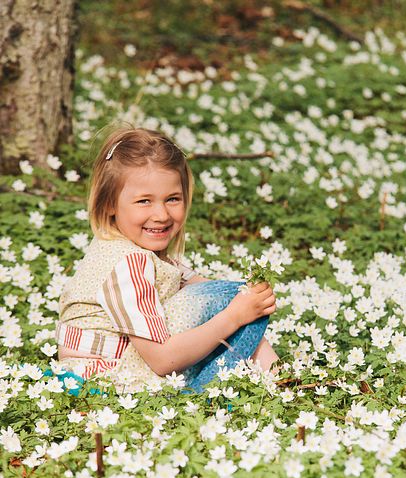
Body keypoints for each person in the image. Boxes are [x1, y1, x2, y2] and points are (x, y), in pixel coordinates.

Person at [55, 127, 278, 393]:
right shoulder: (127, 263)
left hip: (101, 374)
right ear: (108, 205)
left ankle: (276, 376)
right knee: (231, 304)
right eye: (144, 201)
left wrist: (243, 299)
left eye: (172, 199)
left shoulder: (125, 248)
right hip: (111, 383)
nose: (161, 214)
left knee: (232, 296)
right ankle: (275, 379)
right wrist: (234, 316)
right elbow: (163, 361)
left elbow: (195, 283)